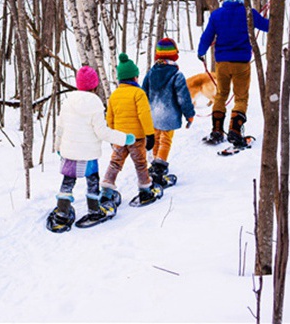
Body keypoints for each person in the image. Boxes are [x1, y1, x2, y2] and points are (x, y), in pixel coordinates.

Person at [52, 65, 135, 228]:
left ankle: (62, 212)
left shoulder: (68, 102)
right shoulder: (95, 104)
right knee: (92, 182)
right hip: (87, 153)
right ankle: (94, 211)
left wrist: (58, 146)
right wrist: (125, 138)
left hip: (69, 151)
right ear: (95, 86)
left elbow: (60, 127)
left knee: (68, 180)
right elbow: (102, 132)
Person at [197, 0, 269, 147]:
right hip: (242, 63)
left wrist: (201, 52)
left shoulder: (217, 15)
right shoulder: (248, 12)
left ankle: (216, 130)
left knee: (221, 95)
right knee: (241, 97)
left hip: (222, 63)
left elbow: (207, 36)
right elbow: (267, 26)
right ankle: (235, 131)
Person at [100, 53, 162, 206]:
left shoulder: (114, 95)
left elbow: (110, 118)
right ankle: (145, 190)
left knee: (115, 163)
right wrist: (150, 135)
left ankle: (107, 191)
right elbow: (144, 115)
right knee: (140, 164)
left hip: (120, 138)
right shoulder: (138, 93)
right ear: (134, 78)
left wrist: (113, 136)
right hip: (136, 138)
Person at [141, 38, 195, 186]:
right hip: (168, 115)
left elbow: (143, 93)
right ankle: (158, 168)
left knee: (157, 138)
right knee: (166, 140)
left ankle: (154, 163)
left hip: (153, 114)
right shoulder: (177, 75)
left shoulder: (151, 73)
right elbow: (183, 98)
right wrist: (189, 115)